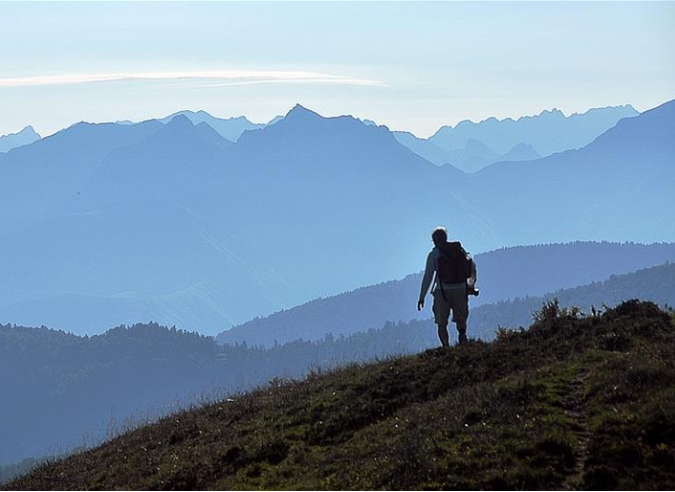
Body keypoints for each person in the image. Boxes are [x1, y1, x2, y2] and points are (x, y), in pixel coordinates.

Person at [417, 226, 477, 347]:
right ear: (446, 238)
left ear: (434, 240)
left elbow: (428, 276)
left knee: (441, 322)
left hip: (442, 291)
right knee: (461, 318)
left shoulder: (434, 254)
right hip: (460, 289)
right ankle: (462, 336)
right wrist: (471, 285)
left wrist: (422, 297)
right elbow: (472, 267)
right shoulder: (460, 250)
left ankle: (446, 346)